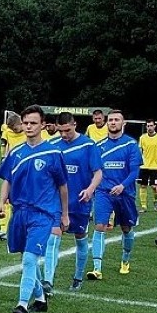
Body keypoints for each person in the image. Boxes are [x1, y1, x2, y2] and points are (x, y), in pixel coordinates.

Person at [0, 106, 69, 313]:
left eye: (33, 123)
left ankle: (21, 304)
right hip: (20, 213)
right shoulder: (15, 152)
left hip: (43, 214)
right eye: (26, 122)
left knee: (29, 259)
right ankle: (40, 297)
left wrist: (64, 214)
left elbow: (63, 187)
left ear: (42, 125)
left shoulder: (53, 153)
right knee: (27, 259)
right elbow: (7, 180)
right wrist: (1, 202)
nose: (28, 127)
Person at [45, 112, 102, 294]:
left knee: (80, 239)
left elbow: (98, 173)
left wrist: (90, 189)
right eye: (60, 131)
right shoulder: (52, 145)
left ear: (75, 125)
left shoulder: (88, 145)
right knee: (54, 238)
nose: (63, 135)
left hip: (79, 202)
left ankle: (77, 278)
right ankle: (48, 282)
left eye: (67, 130)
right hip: (56, 203)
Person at [87, 110, 142, 280]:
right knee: (99, 226)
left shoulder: (131, 145)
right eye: (110, 120)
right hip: (103, 192)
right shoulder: (99, 146)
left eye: (116, 120)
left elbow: (134, 171)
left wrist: (122, 185)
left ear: (123, 123)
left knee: (126, 228)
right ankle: (97, 268)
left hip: (125, 193)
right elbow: (95, 170)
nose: (113, 122)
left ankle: (125, 260)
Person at [0, 111, 24, 240]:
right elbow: (7, 146)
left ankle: (18, 227)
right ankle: (4, 228)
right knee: (6, 198)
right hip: (12, 167)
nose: (14, 131)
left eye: (16, 128)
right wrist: (4, 158)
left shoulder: (28, 132)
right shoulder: (7, 130)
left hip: (25, 169)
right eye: (12, 129)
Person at [137, 119, 157, 213]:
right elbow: (140, 151)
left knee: (154, 187)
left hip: (156, 166)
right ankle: (143, 206)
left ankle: (155, 201)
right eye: (148, 126)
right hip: (144, 166)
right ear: (146, 127)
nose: (149, 127)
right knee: (143, 186)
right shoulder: (142, 137)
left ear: (154, 126)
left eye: (151, 125)